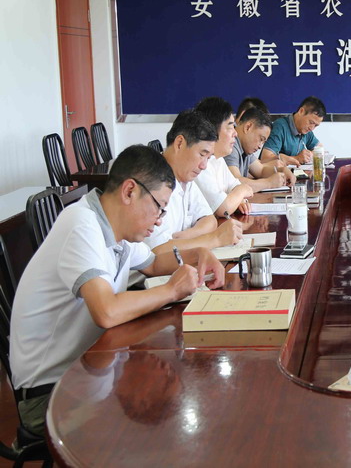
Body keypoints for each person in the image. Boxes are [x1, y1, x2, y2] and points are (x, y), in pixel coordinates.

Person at [8, 145, 225, 437]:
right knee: (152, 434)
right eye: (159, 207)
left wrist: (198, 254)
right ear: (129, 191)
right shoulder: (81, 224)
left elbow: (152, 263)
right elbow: (106, 311)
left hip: (90, 369)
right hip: (50, 391)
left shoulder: (115, 228)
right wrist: (172, 290)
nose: (160, 219)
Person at [145, 110, 243, 255]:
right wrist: (215, 239)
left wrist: (185, 238)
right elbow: (157, 252)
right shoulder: (150, 181)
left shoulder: (185, 177)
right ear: (179, 143)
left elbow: (210, 220)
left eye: (208, 158)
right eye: (202, 155)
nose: (204, 166)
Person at [193, 97, 255, 217]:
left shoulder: (217, 159)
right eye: (230, 127)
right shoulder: (200, 164)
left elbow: (234, 186)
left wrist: (238, 199)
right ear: (211, 130)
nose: (235, 133)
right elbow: (223, 208)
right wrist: (241, 191)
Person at [225, 106, 295, 189]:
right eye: (261, 139)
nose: (260, 146)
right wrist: (269, 183)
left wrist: (282, 170)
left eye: (263, 142)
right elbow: (235, 182)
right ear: (248, 127)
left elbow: (261, 170)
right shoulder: (231, 145)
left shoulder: (244, 148)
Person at [261, 96, 326, 165]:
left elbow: (320, 148)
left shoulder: (306, 131)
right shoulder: (280, 127)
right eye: (311, 122)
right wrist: (297, 158)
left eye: (316, 125)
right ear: (301, 111)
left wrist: (311, 155)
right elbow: (265, 158)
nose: (312, 128)